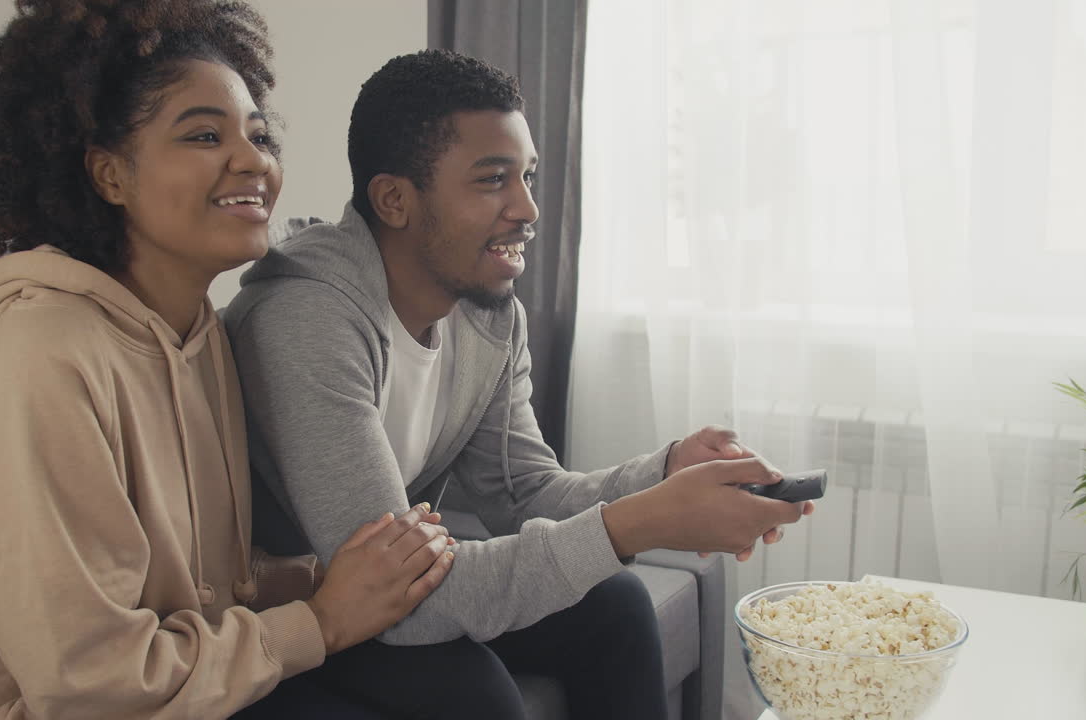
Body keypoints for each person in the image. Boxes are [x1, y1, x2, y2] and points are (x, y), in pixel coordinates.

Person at [0, 4, 453, 719]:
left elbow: (204, 589)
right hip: (19, 707)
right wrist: (325, 619)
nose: (254, 161)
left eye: (260, 135)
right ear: (109, 175)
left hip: (169, 675)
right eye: (205, 135)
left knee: (455, 679)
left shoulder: (198, 334)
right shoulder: (43, 355)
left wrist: (339, 577)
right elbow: (84, 680)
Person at [224, 49, 817, 719]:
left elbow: (525, 493)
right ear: (395, 199)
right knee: (471, 692)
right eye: (493, 180)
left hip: (386, 589)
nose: (528, 207)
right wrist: (641, 521)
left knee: (615, 605)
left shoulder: (489, 315)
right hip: (294, 609)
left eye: (528, 176)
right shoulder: (305, 319)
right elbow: (394, 597)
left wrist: (667, 472)